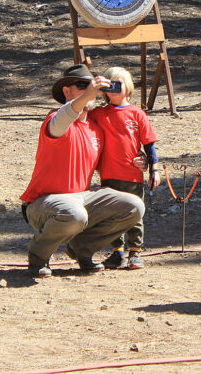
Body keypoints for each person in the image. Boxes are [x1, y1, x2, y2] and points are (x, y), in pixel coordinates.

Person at [20, 64, 146, 278]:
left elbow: (116, 157)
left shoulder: (96, 128)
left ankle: (81, 249)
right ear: (66, 92)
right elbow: (65, 115)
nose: (91, 91)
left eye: (92, 86)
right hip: (43, 203)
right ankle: (38, 256)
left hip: (82, 198)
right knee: (74, 214)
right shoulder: (56, 120)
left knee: (134, 206)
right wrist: (86, 96)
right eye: (81, 86)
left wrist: (141, 160)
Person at [89, 66, 160, 270]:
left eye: (117, 85)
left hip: (132, 174)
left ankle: (135, 252)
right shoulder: (100, 113)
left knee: (135, 214)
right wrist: (94, 90)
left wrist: (153, 168)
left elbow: (149, 143)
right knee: (112, 215)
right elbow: (82, 113)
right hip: (109, 175)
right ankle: (117, 252)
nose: (113, 90)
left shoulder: (137, 114)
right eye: (109, 86)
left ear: (128, 87)